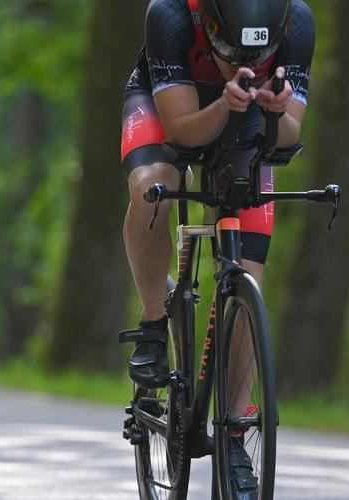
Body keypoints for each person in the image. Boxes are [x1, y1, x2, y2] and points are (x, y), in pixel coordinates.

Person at [118, 0, 314, 491]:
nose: (241, 62)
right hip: (170, 107)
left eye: (259, 54)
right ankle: (152, 323)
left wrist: (273, 112)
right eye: (228, 51)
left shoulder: (298, 22)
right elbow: (182, 131)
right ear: (209, 26)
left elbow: (288, 135)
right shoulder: (170, 16)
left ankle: (233, 435)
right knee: (153, 186)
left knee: (250, 263)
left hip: (245, 116)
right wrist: (225, 103)